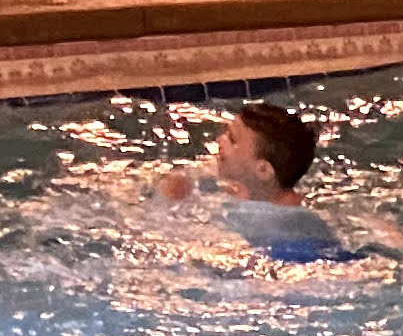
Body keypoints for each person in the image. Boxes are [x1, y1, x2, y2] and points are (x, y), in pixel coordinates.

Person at [149, 101, 390, 260]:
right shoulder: (238, 195)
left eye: (232, 140)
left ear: (263, 170)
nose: (220, 141)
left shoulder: (290, 224)